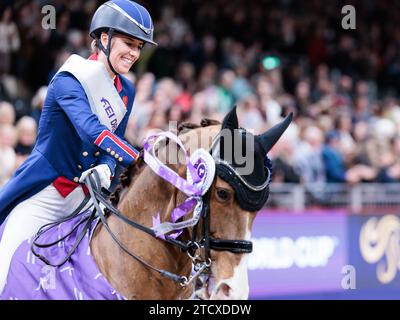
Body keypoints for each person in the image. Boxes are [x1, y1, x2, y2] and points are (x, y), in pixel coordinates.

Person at [0, 0, 157, 293]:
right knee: (2, 269)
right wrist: (140, 163)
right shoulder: (69, 79)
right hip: (44, 196)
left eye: (139, 47)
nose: (134, 53)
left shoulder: (127, 90)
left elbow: (116, 138)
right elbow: (92, 130)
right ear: (105, 39)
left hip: (86, 202)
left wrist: (107, 170)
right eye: (129, 43)